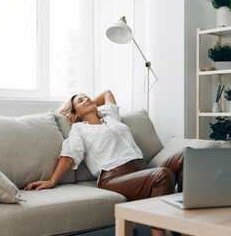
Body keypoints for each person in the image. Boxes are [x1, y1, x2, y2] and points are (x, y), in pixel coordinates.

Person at [25, 90, 185, 236]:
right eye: (80, 101)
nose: (87, 99)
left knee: (187, 155)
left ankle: (188, 224)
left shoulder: (110, 117)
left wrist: (87, 104)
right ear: (76, 113)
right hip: (114, 178)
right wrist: (52, 181)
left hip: (142, 171)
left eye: (87, 97)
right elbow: (69, 156)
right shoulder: (80, 129)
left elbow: (107, 93)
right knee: (162, 175)